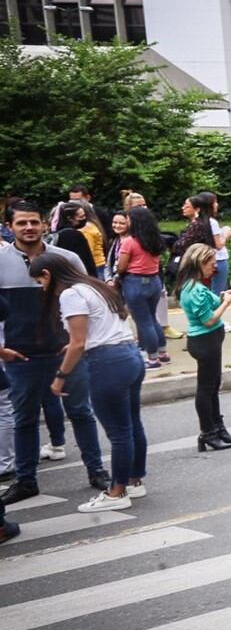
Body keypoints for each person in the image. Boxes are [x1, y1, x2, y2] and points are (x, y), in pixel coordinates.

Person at [0, 201, 109, 505]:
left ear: (44, 224)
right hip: (21, 356)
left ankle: (96, 470)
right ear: (10, 227)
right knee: (24, 418)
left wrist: (82, 340)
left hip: (66, 351)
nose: (29, 228)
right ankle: (25, 480)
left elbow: (91, 298)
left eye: (33, 222)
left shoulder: (67, 258)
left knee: (81, 412)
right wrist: (1, 350)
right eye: (21, 223)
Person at [29, 252, 146, 512]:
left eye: (40, 281)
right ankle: (135, 481)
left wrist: (60, 378)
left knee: (118, 432)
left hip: (107, 362)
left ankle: (117, 492)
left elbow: (80, 342)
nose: (42, 287)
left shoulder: (70, 294)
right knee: (132, 423)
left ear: (47, 274)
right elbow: (91, 332)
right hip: (129, 354)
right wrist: (73, 346)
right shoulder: (95, 286)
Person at [176, 244, 231, 451]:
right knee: (206, 388)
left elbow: (211, 304)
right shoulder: (195, 290)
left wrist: (222, 297)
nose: (214, 268)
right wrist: (227, 302)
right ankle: (208, 432)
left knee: (213, 386)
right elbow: (209, 320)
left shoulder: (195, 286)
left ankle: (218, 427)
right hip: (205, 341)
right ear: (199, 263)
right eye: (211, 264)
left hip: (209, 341)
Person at [114, 206, 168, 369]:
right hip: (154, 281)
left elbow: (122, 266)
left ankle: (152, 359)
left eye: (128, 219)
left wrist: (116, 270)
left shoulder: (130, 241)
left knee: (143, 321)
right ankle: (163, 352)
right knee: (152, 318)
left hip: (135, 282)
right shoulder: (155, 239)